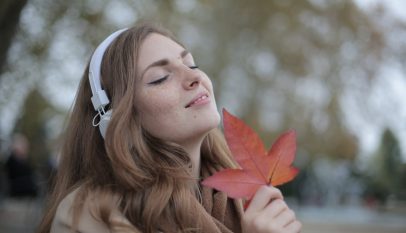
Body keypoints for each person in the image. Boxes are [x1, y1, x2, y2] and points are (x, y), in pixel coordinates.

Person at [37, 23, 302, 233]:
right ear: (115, 118)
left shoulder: (246, 200)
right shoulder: (91, 214)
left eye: (191, 64)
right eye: (160, 78)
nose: (195, 77)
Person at [5, 133, 38, 198]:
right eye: (23, 145)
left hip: (27, 190)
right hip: (18, 190)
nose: (25, 148)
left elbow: (30, 172)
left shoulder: (25, 160)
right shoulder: (11, 160)